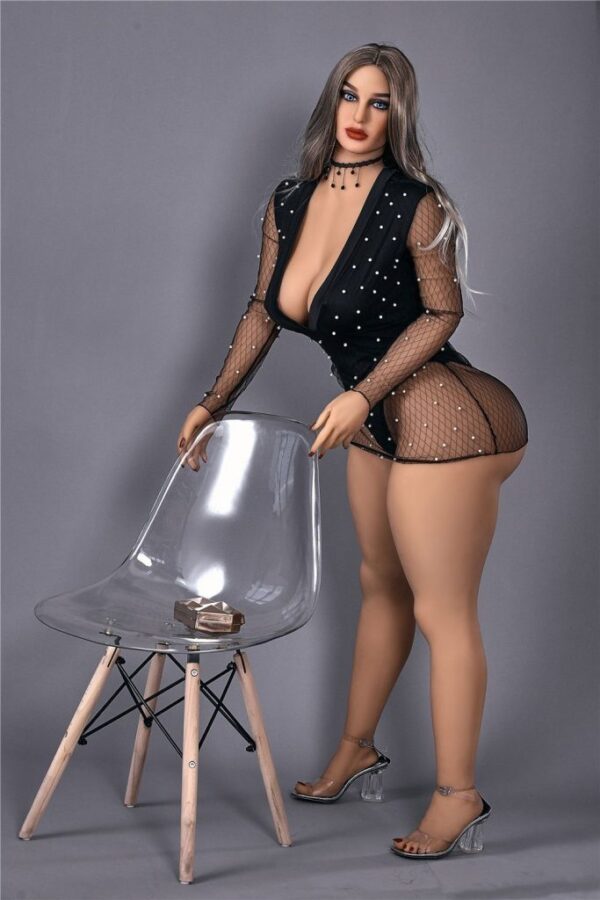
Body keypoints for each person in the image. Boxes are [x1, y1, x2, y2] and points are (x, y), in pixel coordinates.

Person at [176, 42, 528, 859]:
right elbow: (263, 310)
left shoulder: (417, 205)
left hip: (447, 418)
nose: (361, 116)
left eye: (380, 103)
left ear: (398, 115)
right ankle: (357, 749)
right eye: (350, 96)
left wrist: (363, 393)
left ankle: (460, 797)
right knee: (381, 586)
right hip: (371, 417)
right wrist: (209, 402)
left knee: (443, 611)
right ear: (330, 101)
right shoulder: (289, 200)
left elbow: (442, 315)